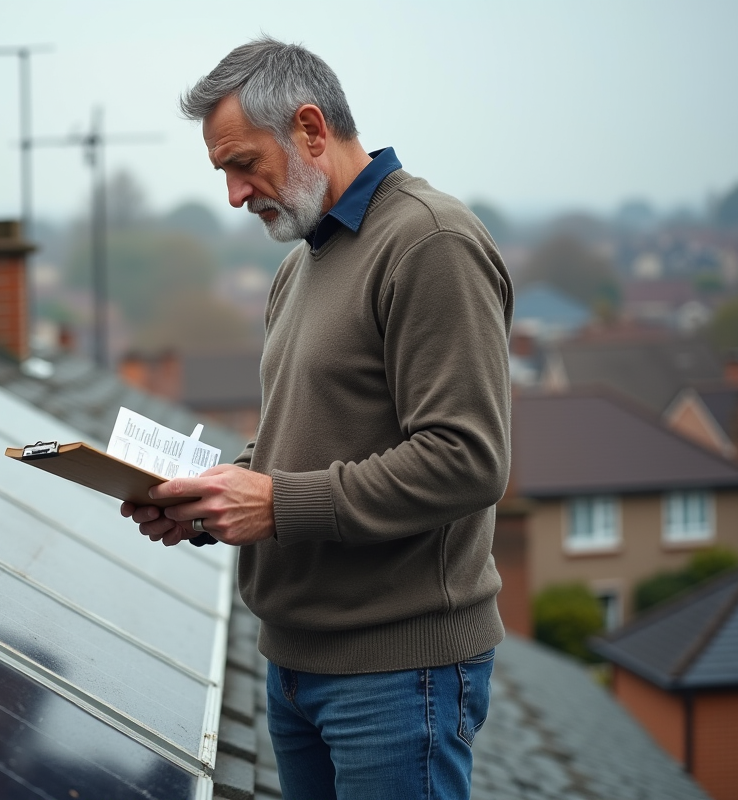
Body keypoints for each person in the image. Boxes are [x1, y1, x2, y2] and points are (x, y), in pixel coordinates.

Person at [121, 37, 513, 800]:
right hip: (296, 667)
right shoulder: (300, 264)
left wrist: (272, 504)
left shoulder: (431, 243)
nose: (234, 196)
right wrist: (202, 503)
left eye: (243, 165)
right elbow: (301, 444)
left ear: (309, 128)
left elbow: (468, 459)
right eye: (223, 174)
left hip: (399, 676)